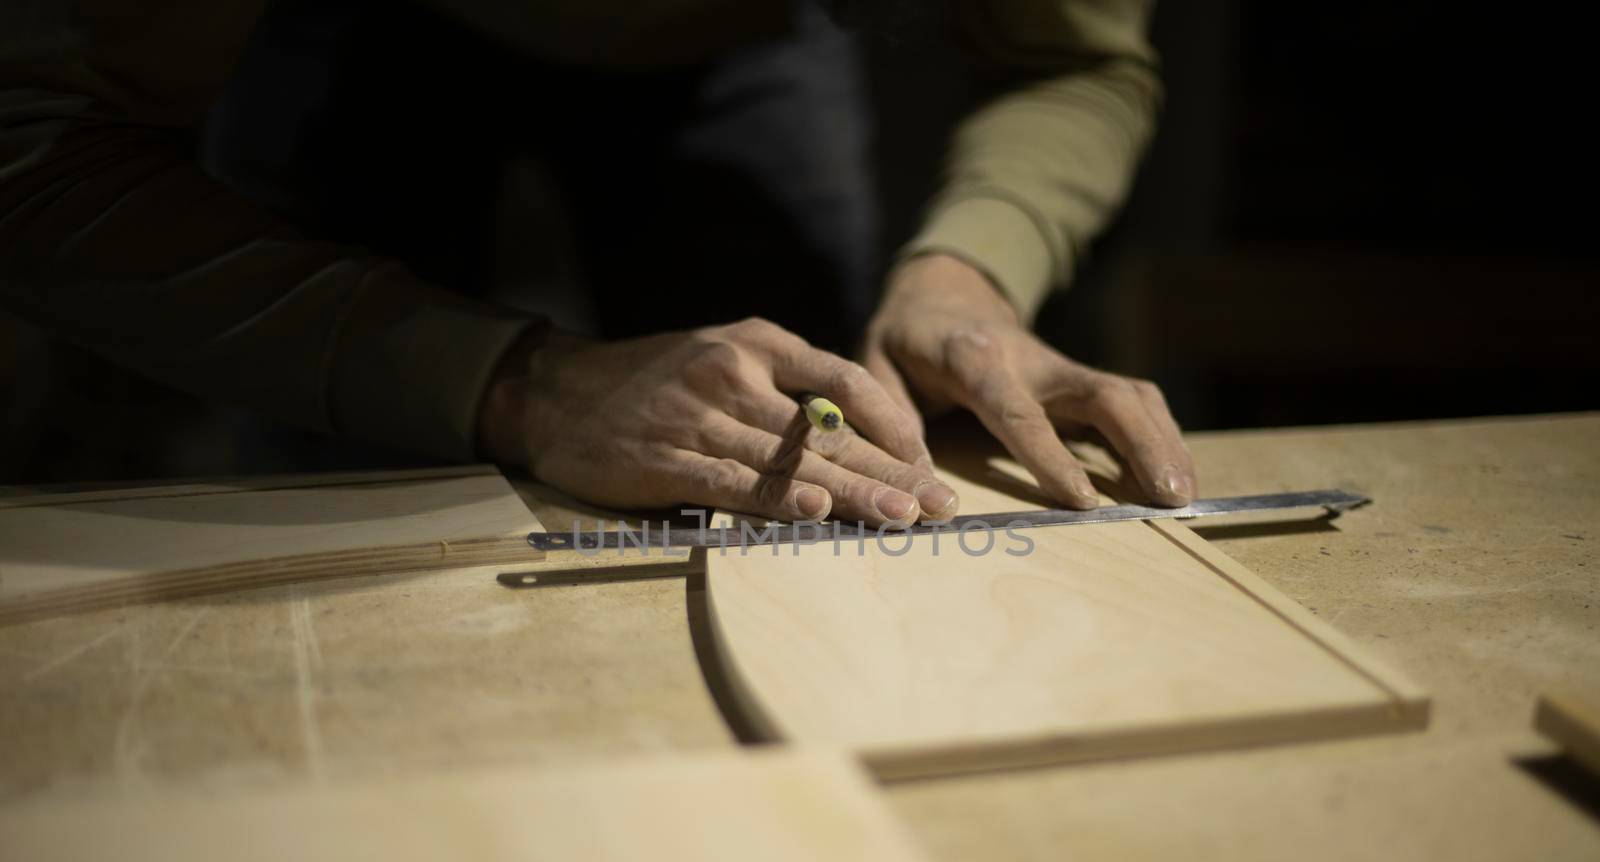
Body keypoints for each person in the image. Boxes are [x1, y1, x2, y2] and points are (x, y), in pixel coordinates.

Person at [0, 0, 1195, 524]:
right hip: (349, 23)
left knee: (810, 476)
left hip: (744, 39)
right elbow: (32, 149)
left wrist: (967, 273)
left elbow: (1071, 57)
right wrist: (513, 384)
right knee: (352, 490)